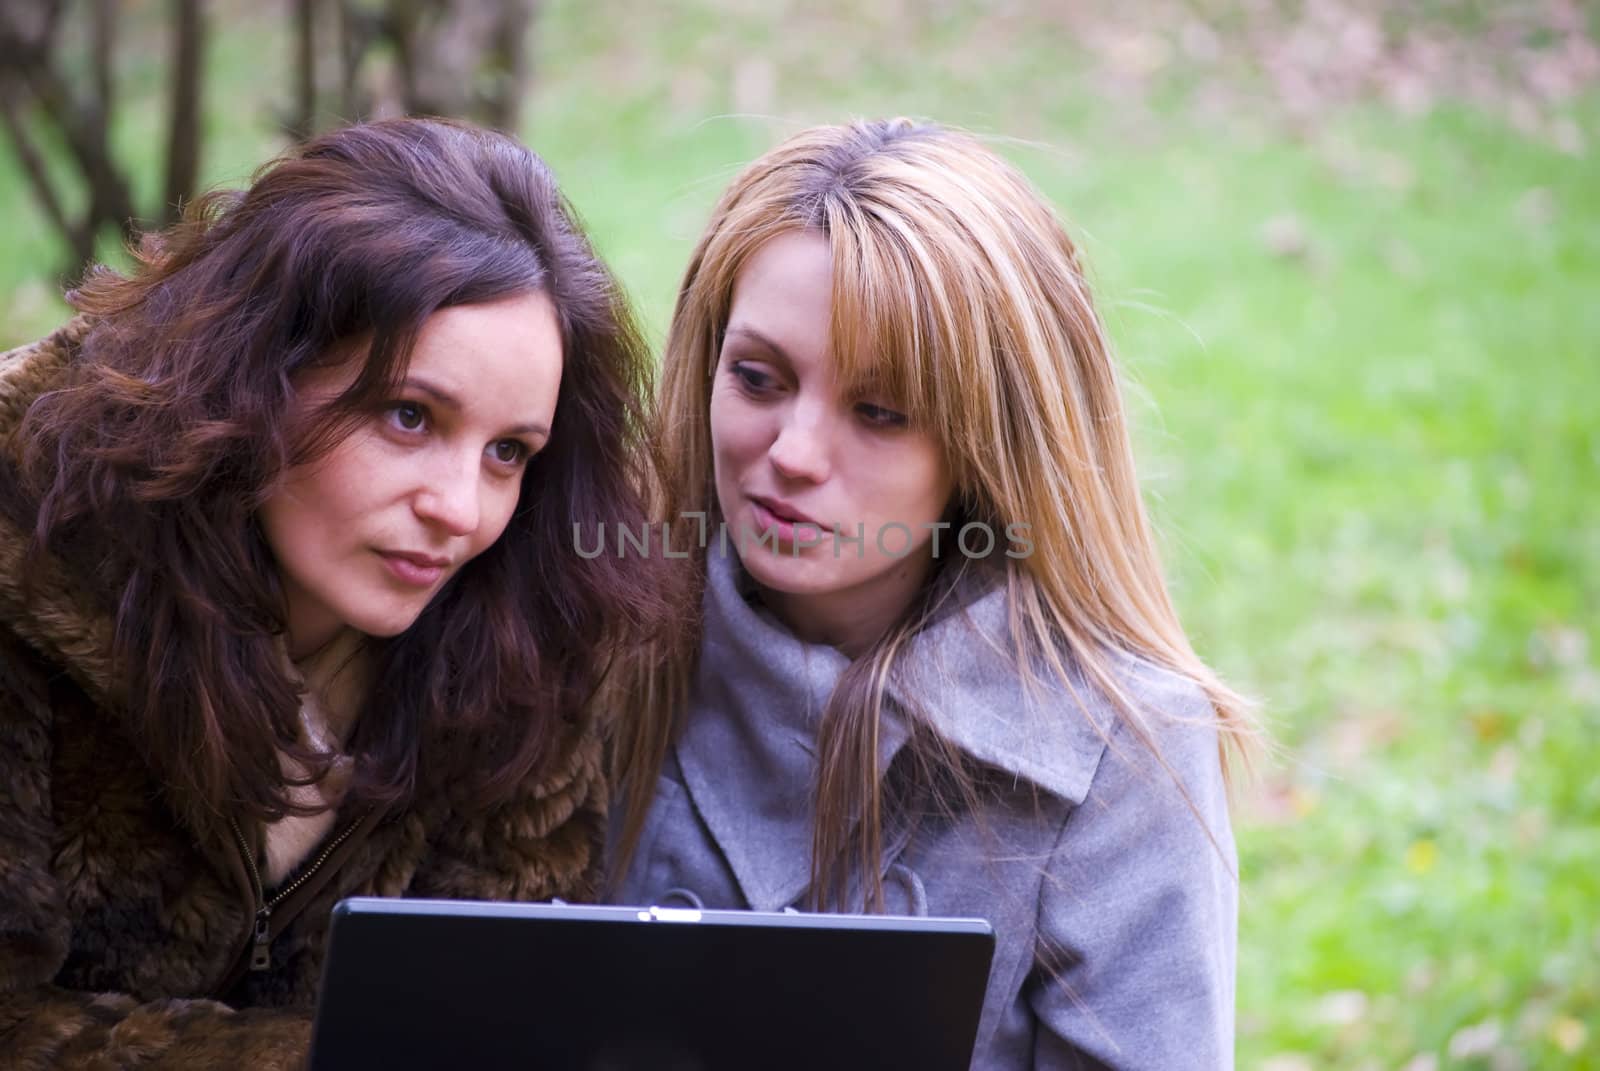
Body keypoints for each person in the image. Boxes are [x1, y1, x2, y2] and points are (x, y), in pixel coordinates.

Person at [0, 117, 669, 1068]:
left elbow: (502, 1021)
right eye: (409, 415)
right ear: (254, 371)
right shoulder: (23, 545)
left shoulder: (520, 632)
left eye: (508, 451)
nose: (459, 509)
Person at [609, 118, 1255, 1069]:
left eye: (879, 411)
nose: (791, 454)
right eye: (757, 378)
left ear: (990, 441)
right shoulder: (581, 647)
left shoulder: (1121, 751)